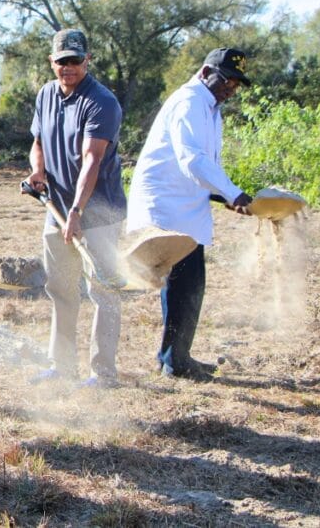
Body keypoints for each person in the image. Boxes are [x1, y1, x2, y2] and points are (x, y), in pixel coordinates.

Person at [127, 47, 253, 381]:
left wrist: (220, 193)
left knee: (186, 282)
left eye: (237, 83)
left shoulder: (211, 108)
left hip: (186, 204)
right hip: (168, 206)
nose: (231, 88)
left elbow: (207, 161)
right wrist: (232, 192)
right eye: (226, 79)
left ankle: (174, 356)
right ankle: (175, 362)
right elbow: (192, 160)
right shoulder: (190, 102)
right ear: (205, 71)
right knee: (187, 282)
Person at [26, 28, 127, 389]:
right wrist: (38, 170)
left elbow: (92, 160)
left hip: (97, 212)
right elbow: (37, 141)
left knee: (104, 290)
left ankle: (104, 374)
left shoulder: (101, 102)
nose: (68, 67)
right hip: (57, 207)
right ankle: (62, 366)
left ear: (87, 60)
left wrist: (78, 213)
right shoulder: (46, 95)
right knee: (61, 288)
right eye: (61, 61)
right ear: (51, 62)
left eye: (75, 60)